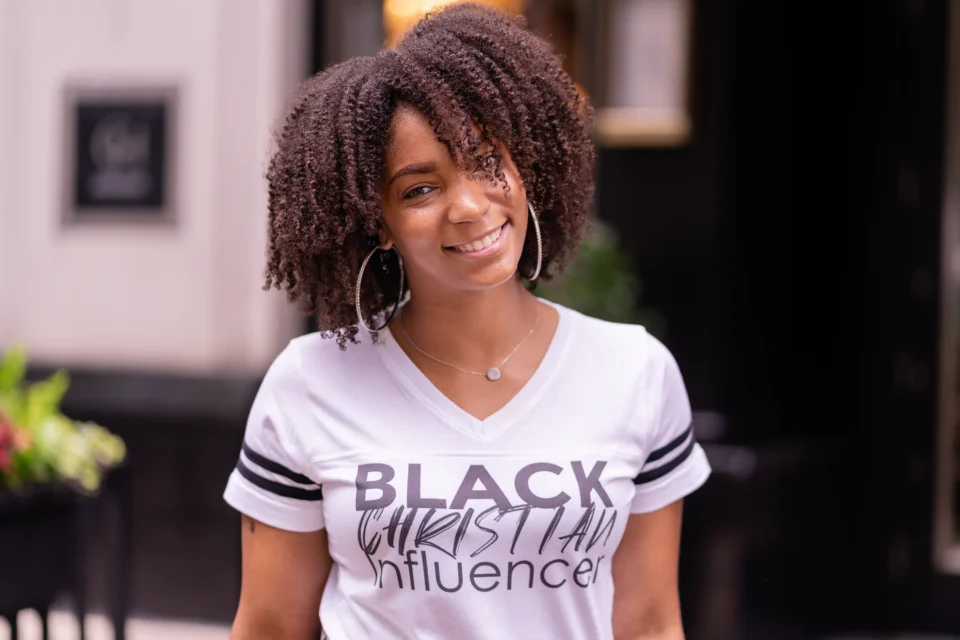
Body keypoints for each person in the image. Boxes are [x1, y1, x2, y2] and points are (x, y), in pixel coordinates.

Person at [223, 4, 710, 639]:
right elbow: (270, 628)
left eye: (487, 163)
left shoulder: (633, 372)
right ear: (380, 222)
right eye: (420, 189)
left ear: (525, 167)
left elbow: (647, 624)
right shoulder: (309, 385)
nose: (470, 206)